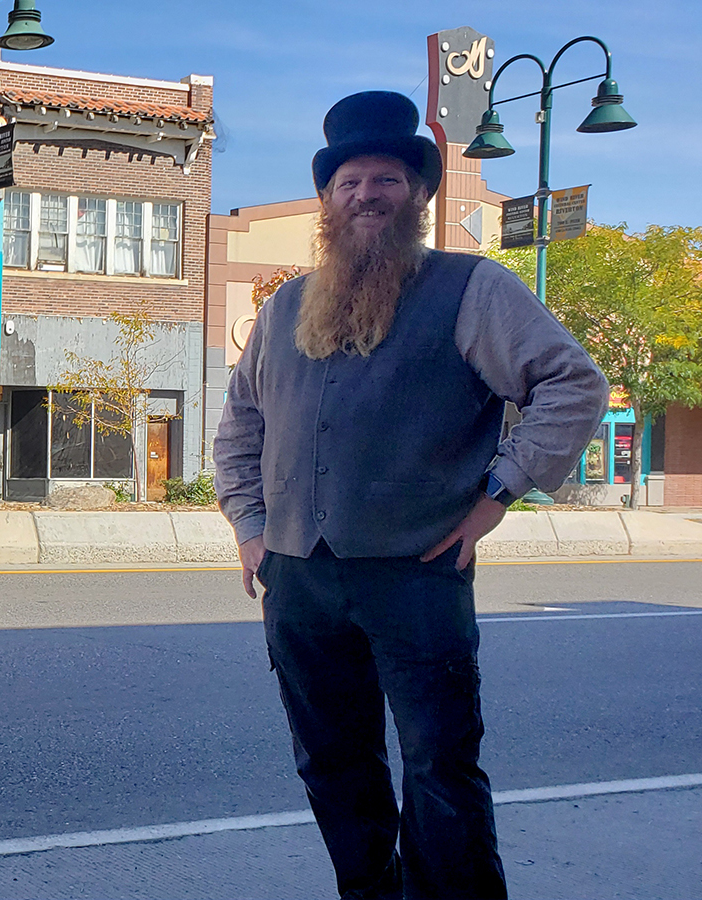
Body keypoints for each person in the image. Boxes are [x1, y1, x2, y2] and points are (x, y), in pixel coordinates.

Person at [213, 91, 609, 900]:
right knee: (331, 760)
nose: (367, 195)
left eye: (386, 178)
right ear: (328, 198)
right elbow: (241, 426)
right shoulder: (286, 304)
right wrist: (251, 525)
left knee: (439, 765)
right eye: (350, 181)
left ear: (418, 195)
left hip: (417, 571)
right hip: (298, 577)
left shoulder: (471, 289)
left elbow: (572, 383)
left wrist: (499, 492)